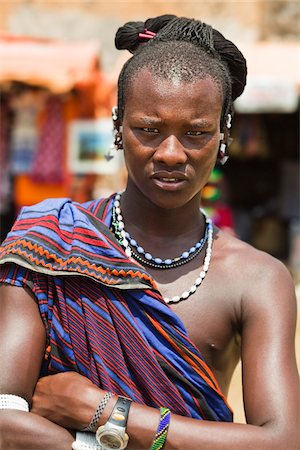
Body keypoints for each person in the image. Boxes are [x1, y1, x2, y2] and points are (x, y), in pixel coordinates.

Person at [0, 14, 299, 450]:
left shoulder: (257, 279)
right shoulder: (49, 244)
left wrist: (105, 413)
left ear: (224, 134)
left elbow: (281, 442)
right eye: (148, 130)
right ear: (119, 127)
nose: (172, 154)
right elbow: (5, 421)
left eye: (196, 133)